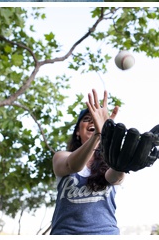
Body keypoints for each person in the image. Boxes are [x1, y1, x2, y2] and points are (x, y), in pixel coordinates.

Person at [49, 89, 125, 235]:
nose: (92, 121)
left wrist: (122, 164)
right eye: (86, 119)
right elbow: (73, 165)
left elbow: (115, 177)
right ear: (77, 131)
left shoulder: (110, 160)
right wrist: (98, 134)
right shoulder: (61, 156)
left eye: (95, 119)